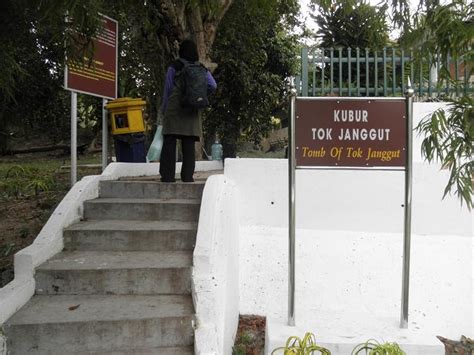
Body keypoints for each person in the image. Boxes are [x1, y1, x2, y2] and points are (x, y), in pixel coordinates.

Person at [159, 39, 217, 182]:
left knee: (170, 142)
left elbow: (168, 89)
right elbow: (213, 85)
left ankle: (167, 177)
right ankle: (187, 176)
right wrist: (198, 96)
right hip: (191, 109)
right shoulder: (201, 68)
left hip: (174, 108)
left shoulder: (175, 66)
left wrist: (165, 109)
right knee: (189, 143)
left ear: (181, 51)